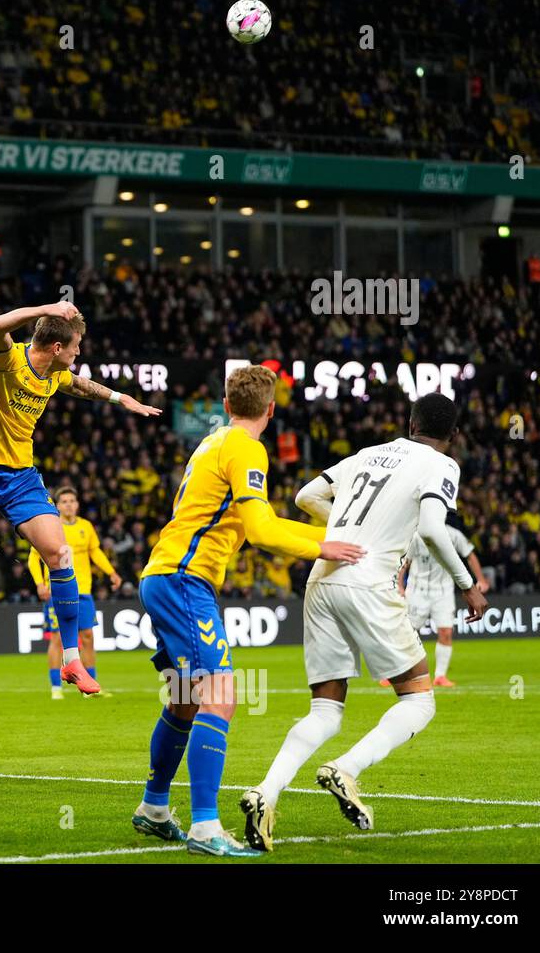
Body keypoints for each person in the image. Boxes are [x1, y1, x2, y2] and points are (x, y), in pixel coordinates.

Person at [130, 365, 363, 857]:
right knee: (221, 695)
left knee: (186, 699)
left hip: (165, 575)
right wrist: (326, 550)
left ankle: (154, 809)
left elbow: (263, 519)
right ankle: (205, 827)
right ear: (271, 410)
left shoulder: (213, 443)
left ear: (227, 404)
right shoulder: (247, 449)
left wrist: (327, 537)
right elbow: (261, 533)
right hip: (183, 582)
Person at [241, 393, 488, 853]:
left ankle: (265, 792)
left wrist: (348, 532)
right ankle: (347, 769)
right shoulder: (442, 465)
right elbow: (434, 529)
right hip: (370, 582)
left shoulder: (369, 453)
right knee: (419, 700)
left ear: (409, 422)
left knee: (325, 711)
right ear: (453, 436)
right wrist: (467, 583)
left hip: (322, 579)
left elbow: (305, 496)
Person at [0, 300, 160, 715]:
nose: (79, 353)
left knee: (60, 555)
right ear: (59, 345)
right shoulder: (5, 359)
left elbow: (82, 385)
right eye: (76, 345)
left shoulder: (54, 374)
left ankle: (71, 660)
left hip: (21, 477)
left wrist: (122, 399)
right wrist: (51, 307)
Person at [28, 486, 120, 699]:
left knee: (88, 637)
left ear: (77, 504)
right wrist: (39, 583)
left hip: (84, 590)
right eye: (64, 501)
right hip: (57, 590)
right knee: (58, 638)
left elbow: (95, 552)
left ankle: (89, 686)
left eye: (72, 500)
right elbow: (34, 557)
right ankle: (56, 687)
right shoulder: (50, 526)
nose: (69, 504)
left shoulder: (86, 527)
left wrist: (111, 573)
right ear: (57, 506)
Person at [398, 511, 488, 687]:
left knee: (446, 632)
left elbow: (470, 554)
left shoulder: (454, 535)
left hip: (444, 591)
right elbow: (405, 562)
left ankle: (440, 676)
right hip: (418, 590)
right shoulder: (416, 535)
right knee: (408, 632)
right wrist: (400, 585)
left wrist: (481, 579)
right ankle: (397, 671)